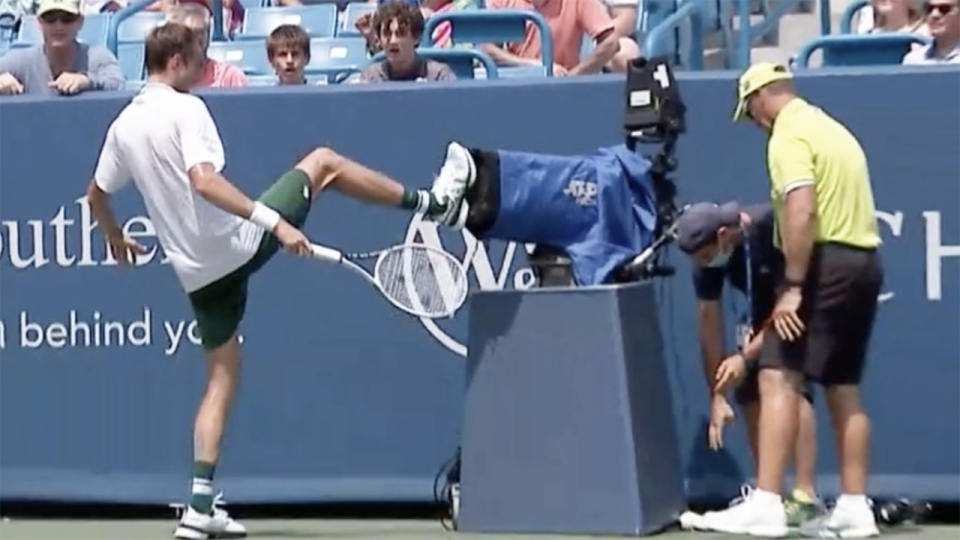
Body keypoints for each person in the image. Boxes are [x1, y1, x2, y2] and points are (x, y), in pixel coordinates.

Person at [84, 22, 472, 540]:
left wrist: (115, 238)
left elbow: (95, 196)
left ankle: (199, 505)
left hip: (197, 274)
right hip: (236, 245)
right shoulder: (187, 108)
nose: (203, 68)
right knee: (325, 162)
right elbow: (204, 181)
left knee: (222, 378)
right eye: (197, 58)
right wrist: (275, 222)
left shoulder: (121, 127)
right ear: (174, 60)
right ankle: (437, 205)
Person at [701, 63, 884, 538]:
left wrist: (795, 286)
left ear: (763, 96)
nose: (755, 122)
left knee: (777, 374)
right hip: (864, 262)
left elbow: (802, 209)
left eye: (751, 110)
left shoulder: (787, 135)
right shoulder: (831, 129)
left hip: (824, 266)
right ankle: (854, 506)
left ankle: (766, 504)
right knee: (843, 386)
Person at [676, 201, 823, 527]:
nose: (703, 264)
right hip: (763, 310)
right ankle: (769, 496)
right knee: (748, 384)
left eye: (704, 256)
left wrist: (744, 357)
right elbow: (709, 323)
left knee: (787, 381)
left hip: (802, 297)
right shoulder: (709, 257)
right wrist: (717, 394)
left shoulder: (768, 229)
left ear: (723, 234)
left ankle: (806, 496)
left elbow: (789, 304)